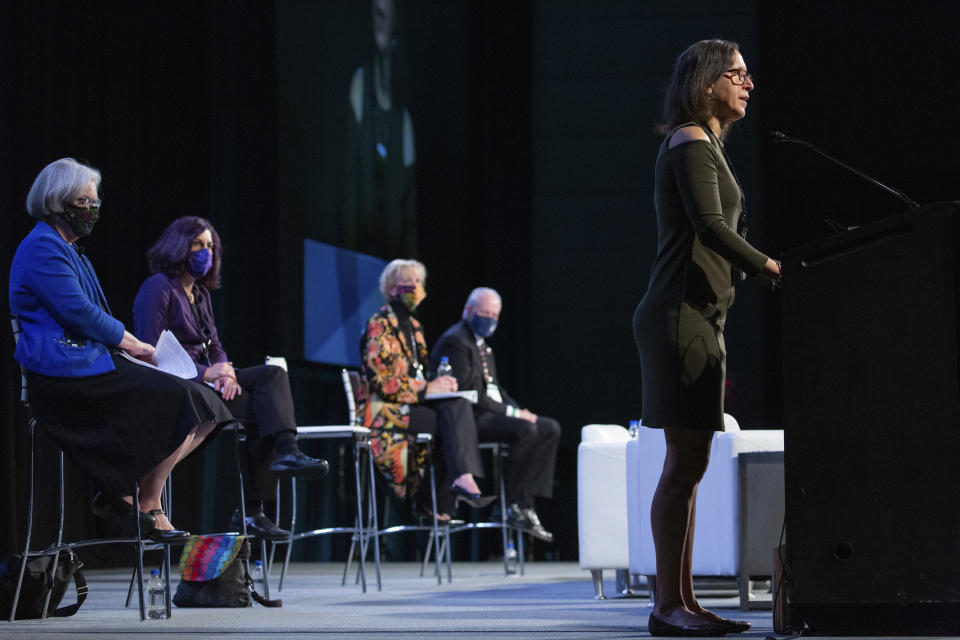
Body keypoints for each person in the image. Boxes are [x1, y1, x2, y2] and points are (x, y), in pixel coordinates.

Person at [632, 40, 780, 637]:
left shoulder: (709, 144)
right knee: (681, 465)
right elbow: (712, 228)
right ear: (705, 80)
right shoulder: (690, 140)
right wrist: (773, 268)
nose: (748, 83)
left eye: (748, 73)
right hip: (678, 317)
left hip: (701, 317)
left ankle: (683, 603)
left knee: (690, 463)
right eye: (737, 74)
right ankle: (666, 606)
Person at [9, 158, 236, 544]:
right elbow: (78, 313)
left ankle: (136, 495)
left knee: (209, 406)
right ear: (58, 201)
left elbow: (94, 313)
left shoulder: (72, 251)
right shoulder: (42, 248)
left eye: (95, 201)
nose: (93, 210)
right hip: (63, 372)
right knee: (183, 399)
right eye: (85, 201)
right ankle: (142, 500)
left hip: (91, 362)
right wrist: (132, 344)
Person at [133, 216, 329, 541]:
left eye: (210, 246)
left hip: (207, 382)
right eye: (198, 244)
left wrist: (224, 371)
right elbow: (150, 352)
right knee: (259, 411)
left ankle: (287, 450)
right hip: (177, 385)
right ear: (179, 245)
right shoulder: (158, 288)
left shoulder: (201, 294)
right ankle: (251, 511)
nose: (205, 252)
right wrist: (207, 373)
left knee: (271, 378)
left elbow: (215, 346)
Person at [359, 259, 493, 519]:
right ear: (392, 289)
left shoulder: (415, 328)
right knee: (450, 421)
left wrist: (442, 385)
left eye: (418, 283)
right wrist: (428, 388)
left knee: (456, 406)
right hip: (385, 411)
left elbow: (419, 373)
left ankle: (447, 490)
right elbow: (383, 380)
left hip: (411, 406)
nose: (415, 289)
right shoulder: (380, 324)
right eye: (407, 284)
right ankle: (437, 497)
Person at [430, 287, 560, 542]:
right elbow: (471, 392)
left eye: (495, 315)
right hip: (470, 419)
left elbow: (496, 389)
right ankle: (510, 503)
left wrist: (519, 410)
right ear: (469, 311)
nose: (490, 319)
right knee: (526, 430)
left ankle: (523, 504)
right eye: (485, 313)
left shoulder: (484, 348)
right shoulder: (455, 341)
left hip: (493, 413)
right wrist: (513, 414)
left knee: (549, 428)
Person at [340, 0, 417, 258]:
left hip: (399, 257)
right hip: (364, 248)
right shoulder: (362, 83)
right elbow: (349, 180)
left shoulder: (404, 107)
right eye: (376, 13)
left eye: (386, 14)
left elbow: (410, 205)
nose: (379, 22)